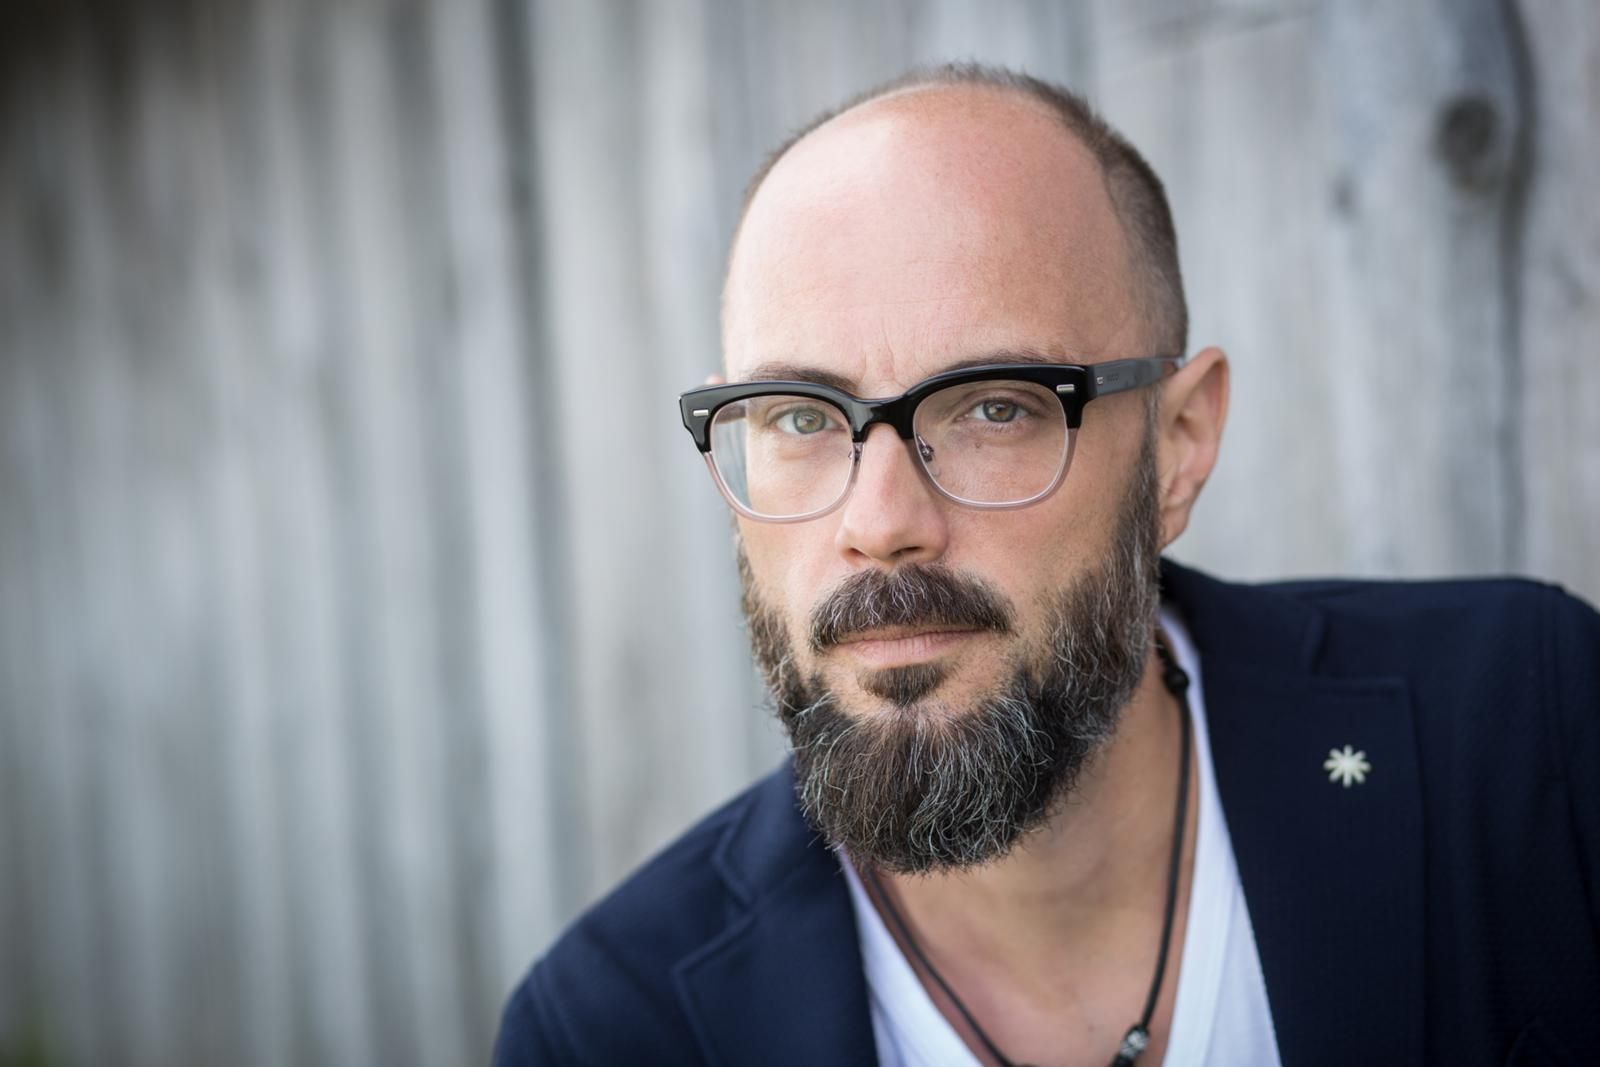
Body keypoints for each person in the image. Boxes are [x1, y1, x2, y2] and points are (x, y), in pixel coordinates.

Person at [495, 63, 1600, 1066]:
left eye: (994, 406)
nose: (879, 523)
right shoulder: (606, 1030)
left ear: (1177, 445)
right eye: (798, 416)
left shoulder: (1525, 737)